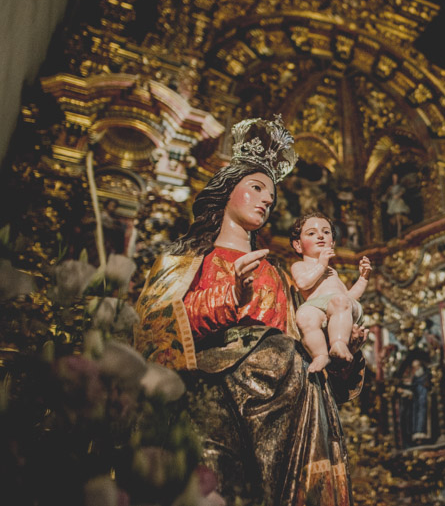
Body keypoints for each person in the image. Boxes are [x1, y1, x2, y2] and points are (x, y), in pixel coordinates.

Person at [132, 117, 367, 505]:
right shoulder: (185, 259)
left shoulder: (278, 274)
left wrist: (346, 349)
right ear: (226, 190)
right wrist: (230, 298)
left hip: (289, 402)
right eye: (255, 188)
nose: (265, 201)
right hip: (213, 394)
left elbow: (309, 346)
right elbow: (156, 330)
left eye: (270, 198)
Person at [290, 212, 371, 373]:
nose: (320, 236)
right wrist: (321, 264)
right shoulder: (299, 266)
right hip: (317, 307)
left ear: (332, 243)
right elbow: (302, 283)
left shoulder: (332, 272)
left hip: (341, 307)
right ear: (298, 245)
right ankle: (320, 355)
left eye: (326, 232)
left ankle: (338, 343)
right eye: (311, 233)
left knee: (339, 301)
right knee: (304, 315)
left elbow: (349, 298)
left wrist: (363, 278)